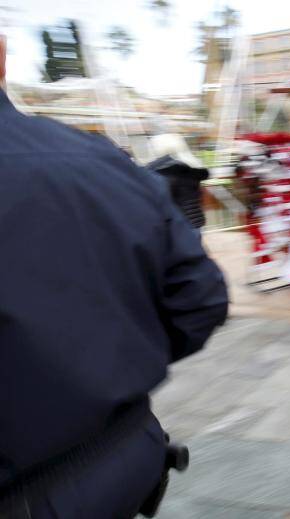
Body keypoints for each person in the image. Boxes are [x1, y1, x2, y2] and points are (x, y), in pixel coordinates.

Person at [0, 36, 229, 518]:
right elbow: (201, 298)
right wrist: (113, 359)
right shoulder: (99, 159)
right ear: (2, 55)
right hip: (123, 455)